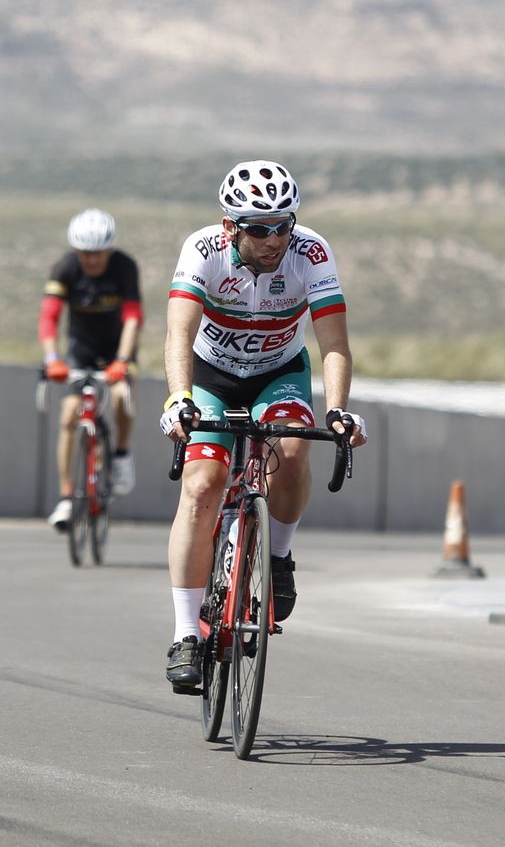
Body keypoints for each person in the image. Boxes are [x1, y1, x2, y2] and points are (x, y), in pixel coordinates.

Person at [158, 160, 367, 692]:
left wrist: (338, 410)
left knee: (293, 450)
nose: (274, 239)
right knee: (201, 485)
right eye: (259, 228)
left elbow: (334, 343)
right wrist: (180, 398)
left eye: (282, 225)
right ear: (230, 226)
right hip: (212, 375)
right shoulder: (202, 250)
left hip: (279, 372)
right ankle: (186, 634)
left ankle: (277, 557)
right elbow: (178, 332)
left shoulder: (310, 252)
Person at [41, 208, 142, 531]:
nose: (92, 260)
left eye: (98, 253)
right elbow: (49, 318)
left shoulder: (124, 267)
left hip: (117, 347)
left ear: (109, 250)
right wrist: (52, 359)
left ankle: (121, 455)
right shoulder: (65, 268)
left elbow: (133, 318)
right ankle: (66, 498)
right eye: (85, 254)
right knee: (68, 415)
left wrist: (122, 361)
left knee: (120, 397)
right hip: (81, 349)